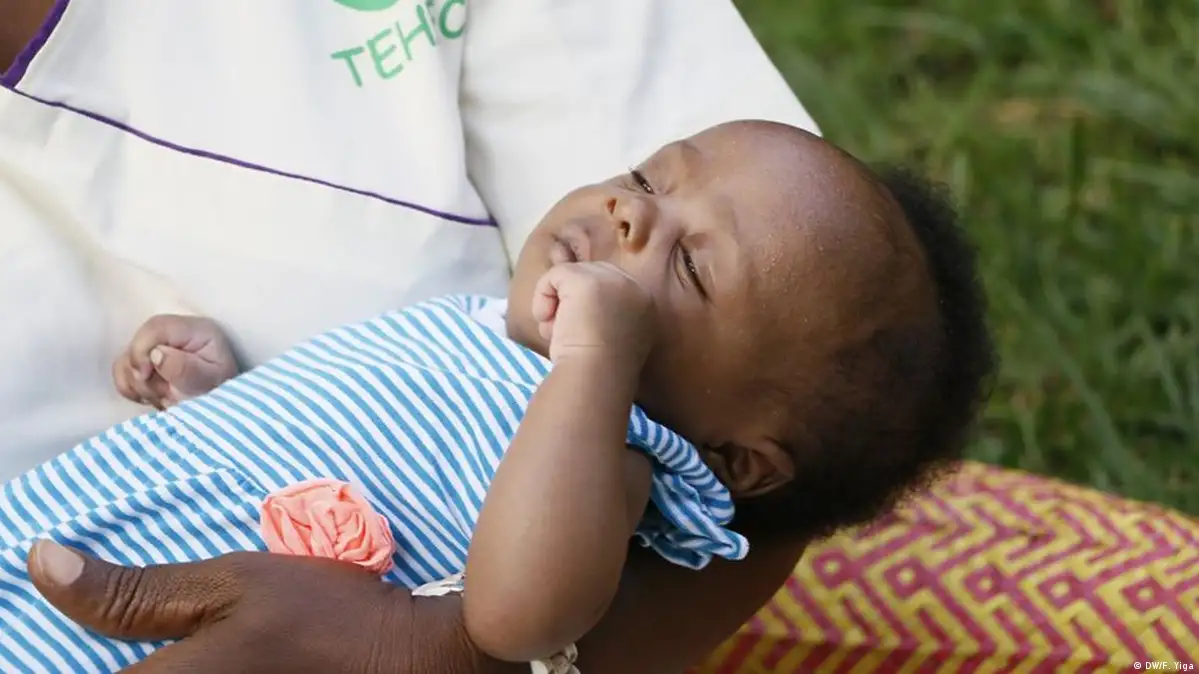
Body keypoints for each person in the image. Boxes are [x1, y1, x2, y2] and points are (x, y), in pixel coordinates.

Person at [0, 2, 870, 673]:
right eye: (642, 179)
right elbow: (325, 447)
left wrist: (591, 370)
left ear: (738, 460)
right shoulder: (468, 332)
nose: (627, 210)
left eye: (690, 266)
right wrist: (224, 403)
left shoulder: (617, 452)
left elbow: (520, 620)